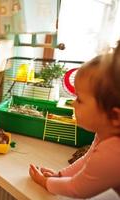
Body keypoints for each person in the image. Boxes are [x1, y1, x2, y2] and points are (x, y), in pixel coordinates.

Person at [29, 43, 120, 198]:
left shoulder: (114, 152)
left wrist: (45, 182)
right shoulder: (104, 134)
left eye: (79, 99)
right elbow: (88, 160)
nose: (72, 102)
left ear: (115, 117)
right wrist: (60, 175)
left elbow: (78, 188)